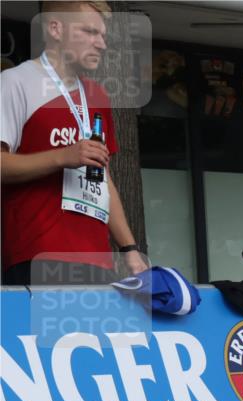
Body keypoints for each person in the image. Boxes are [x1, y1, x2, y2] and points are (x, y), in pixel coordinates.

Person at [1, 0, 147, 285]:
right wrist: (63, 156)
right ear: (56, 28)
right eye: (90, 32)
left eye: (103, 36)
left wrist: (128, 248)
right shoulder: (15, 82)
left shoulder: (97, 96)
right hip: (37, 252)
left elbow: (103, 177)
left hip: (97, 256)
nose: (101, 44)